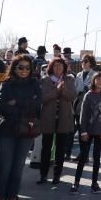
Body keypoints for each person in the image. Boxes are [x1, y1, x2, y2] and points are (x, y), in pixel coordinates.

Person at [0, 55, 41, 200]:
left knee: (17, 169)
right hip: (6, 130)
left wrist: (16, 103)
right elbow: (1, 106)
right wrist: (23, 106)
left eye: (27, 68)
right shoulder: (6, 83)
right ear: (14, 67)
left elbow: (37, 105)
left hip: (26, 131)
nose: (24, 71)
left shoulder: (35, 84)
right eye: (20, 67)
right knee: (4, 168)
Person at [37, 57, 76, 185]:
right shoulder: (45, 80)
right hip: (48, 118)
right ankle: (43, 175)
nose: (58, 68)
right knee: (46, 147)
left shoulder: (69, 79)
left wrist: (63, 90)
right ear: (51, 67)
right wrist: (56, 91)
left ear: (64, 68)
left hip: (64, 119)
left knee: (60, 149)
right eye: (55, 66)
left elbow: (72, 96)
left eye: (60, 66)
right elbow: (42, 98)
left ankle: (57, 176)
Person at [72, 72, 101, 195]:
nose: (99, 82)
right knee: (83, 157)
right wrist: (83, 131)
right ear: (93, 81)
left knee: (97, 158)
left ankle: (94, 183)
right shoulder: (88, 95)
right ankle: (76, 182)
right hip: (87, 131)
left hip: (100, 132)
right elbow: (83, 115)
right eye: (97, 79)